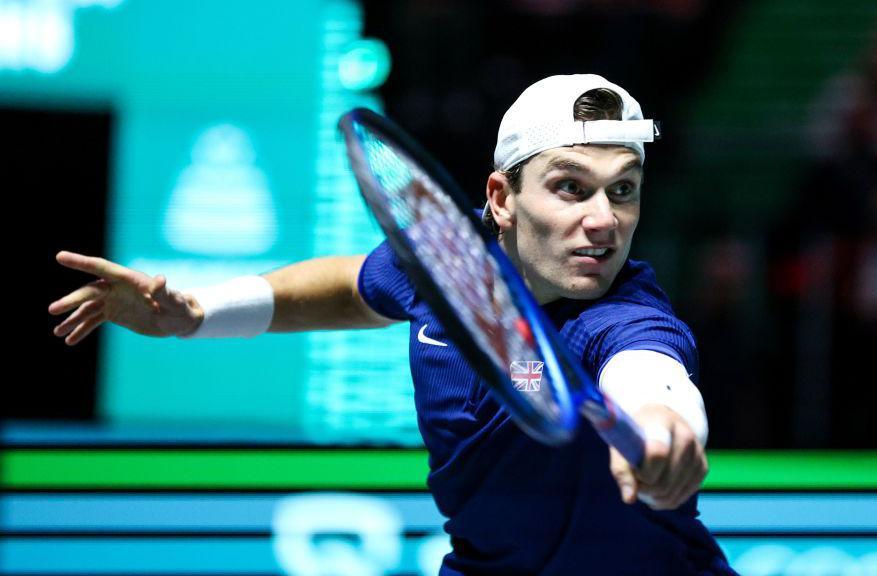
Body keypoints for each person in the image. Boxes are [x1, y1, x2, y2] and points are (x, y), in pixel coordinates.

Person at [50, 74, 736, 575]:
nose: (604, 220)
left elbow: (655, 382)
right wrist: (198, 314)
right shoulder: (443, 259)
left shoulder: (626, 317)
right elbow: (351, 286)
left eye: (624, 191)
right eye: (570, 187)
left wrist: (667, 433)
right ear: (500, 199)